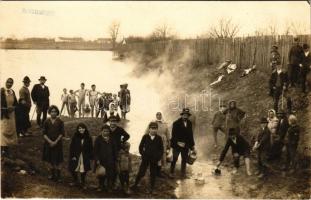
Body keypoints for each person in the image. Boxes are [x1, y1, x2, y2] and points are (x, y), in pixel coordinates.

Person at [131, 122, 164, 194]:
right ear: (149, 129)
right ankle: (135, 185)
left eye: (155, 129)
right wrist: (143, 154)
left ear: (157, 129)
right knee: (141, 172)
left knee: (153, 173)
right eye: (152, 128)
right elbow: (140, 147)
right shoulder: (145, 137)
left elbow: (161, 149)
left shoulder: (159, 138)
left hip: (154, 159)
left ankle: (152, 188)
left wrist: (158, 157)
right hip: (146, 158)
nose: (154, 130)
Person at [170, 108, 195, 178]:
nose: (185, 116)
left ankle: (183, 174)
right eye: (184, 115)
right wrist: (178, 142)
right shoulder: (176, 123)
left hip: (186, 145)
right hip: (177, 145)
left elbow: (191, 135)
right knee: (174, 158)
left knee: (184, 159)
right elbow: (173, 135)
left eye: (187, 115)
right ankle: (171, 172)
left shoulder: (189, 123)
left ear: (188, 116)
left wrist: (192, 146)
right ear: (182, 115)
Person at [42, 105, 64, 182]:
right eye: (52, 111)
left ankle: (58, 176)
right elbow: (44, 134)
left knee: (58, 159)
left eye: (55, 112)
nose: (53, 113)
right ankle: (52, 174)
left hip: (57, 143)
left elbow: (61, 133)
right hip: (48, 143)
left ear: (57, 112)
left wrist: (55, 142)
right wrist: (50, 142)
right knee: (49, 159)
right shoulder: (46, 121)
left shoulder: (60, 121)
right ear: (49, 112)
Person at [68, 123, 93, 189]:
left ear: (85, 129)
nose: (81, 130)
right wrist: (72, 155)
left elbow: (91, 148)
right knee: (73, 168)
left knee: (83, 169)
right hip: (76, 155)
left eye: (82, 128)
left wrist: (90, 156)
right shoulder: (75, 137)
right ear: (78, 129)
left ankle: (83, 182)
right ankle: (75, 180)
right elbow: (72, 147)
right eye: (79, 128)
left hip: (84, 156)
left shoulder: (88, 137)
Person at [145, 112, 170, 177]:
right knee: (154, 155)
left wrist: (169, 142)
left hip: (163, 141)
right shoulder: (152, 123)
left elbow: (168, 134)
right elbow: (147, 131)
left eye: (160, 115)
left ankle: (160, 171)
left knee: (162, 155)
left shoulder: (165, 124)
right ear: (156, 116)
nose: (159, 116)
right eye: (157, 115)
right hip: (154, 141)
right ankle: (153, 171)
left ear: (161, 116)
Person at [94, 125, 117, 192]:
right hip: (101, 160)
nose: (106, 132)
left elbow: (114, 150)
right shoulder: (98, 139)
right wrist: (97, 159)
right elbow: (95, 151)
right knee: (101, 173)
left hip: (110, 160)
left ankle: (109, 186)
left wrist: (115, 158)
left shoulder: (112, 139)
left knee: (110, 174)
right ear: (101, 131)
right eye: (104, 131)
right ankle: (101, 186)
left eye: (107, 131)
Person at [108, 116, 130, 187]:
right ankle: (112, 183)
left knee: (121, 169)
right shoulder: (107, 129)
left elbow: (127, 136)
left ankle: (124, 185)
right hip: (109, 150)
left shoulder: (119, 129)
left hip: (118, 150)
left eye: (114, 121)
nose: (113, 123)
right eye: (111, 121)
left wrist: (122, 141)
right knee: (112, 168)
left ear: (116, 122)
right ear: (109, 122)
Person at [1, 78, 18, 157]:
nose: (9, 84)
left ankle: (8, 149)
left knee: (10, 131)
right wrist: (5, 109)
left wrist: (13, 107)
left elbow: (16, 103)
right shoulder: (1, 91)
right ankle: (2, 149)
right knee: (3, 131)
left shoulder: (12, 92)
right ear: (5, 82)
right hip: (4, 114)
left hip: (11, 114)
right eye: (8, 82)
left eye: (11, 82)